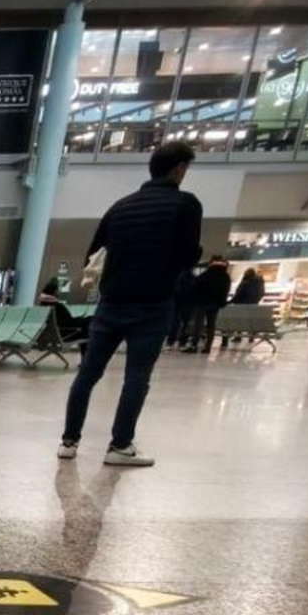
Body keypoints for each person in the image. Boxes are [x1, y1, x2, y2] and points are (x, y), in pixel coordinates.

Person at [58, 141, 202, 467]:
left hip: (111, 302)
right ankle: (120, 444)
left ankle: (69, 440)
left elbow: (93, 255)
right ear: (179, 169)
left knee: (88, 373)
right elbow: (188, 253)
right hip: (153, 303)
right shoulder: (185, 205)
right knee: (136, 376)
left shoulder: (121, 207)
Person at [181, 255, 231, 353]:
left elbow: (195, 287)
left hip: (202, 303)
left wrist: (193, 299)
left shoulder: (206, 274)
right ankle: (208, 347)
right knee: (211, 325)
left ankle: (194, 345)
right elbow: (226, 291)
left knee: (198, 324)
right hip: (216, 304)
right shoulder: (225, 276)